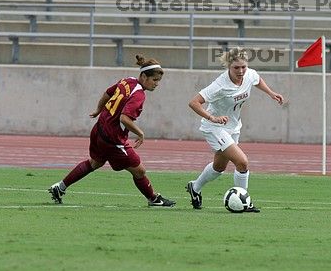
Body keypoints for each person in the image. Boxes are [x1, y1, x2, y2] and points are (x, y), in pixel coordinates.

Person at [48, 55, 175, 207]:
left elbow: (108, 93)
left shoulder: (127, 80)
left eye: (158, 81)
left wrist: (98, 110)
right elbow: (124, 119)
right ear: (143, 76)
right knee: (140, 171)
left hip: (99, 128)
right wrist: (140, 133)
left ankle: (59, 187)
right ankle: (154, 199)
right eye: (154, 80)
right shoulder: (139, 94)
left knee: (95, 163)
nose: (157, 84)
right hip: (112, 138)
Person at [186, 47, 285, 212]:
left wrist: (271, 93)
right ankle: (245, 201)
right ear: (228, 67)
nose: (240, 71)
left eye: (243, 67)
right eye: (236, 68)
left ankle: (194, 188)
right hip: (215, 127)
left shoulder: (249, 74)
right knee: (242, 162)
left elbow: (257, 79)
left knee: (219, 167)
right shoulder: (220, 85)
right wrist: (213, 118)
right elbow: (194, 102)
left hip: (233, 127)